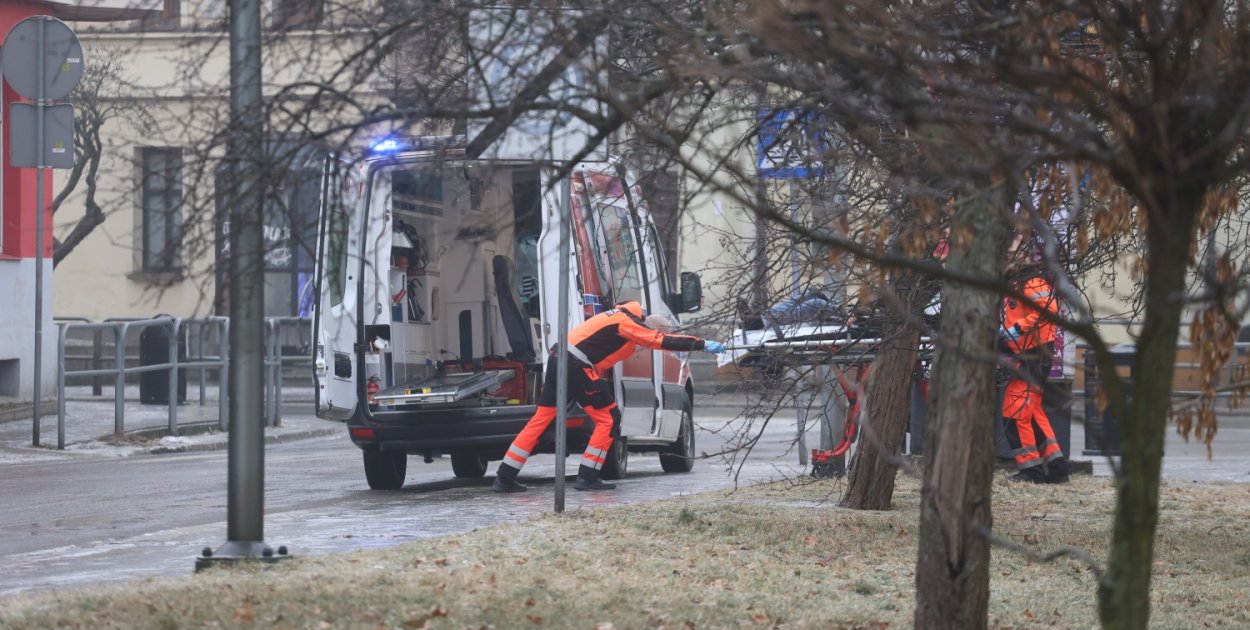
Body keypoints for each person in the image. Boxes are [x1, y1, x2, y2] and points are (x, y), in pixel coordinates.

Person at [492, 301, 726, 493]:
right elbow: (658, 340)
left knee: (540, 421)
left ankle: (504, 477)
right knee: (609, 418)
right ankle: (588, 476)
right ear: (648, 326)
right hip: (574, 365)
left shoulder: (615, 316)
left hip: (558, 358)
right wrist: (703, 344)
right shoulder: (626, 323)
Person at [999, 259, 1070, 484]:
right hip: (1031, 354)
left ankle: (1032, 470)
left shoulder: (1031, 281)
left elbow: (1049, 309)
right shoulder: (1020, 283)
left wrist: (1016, 330)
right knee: (1031, 413)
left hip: (1035, 355)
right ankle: (1056, 467)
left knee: (1015, 413)